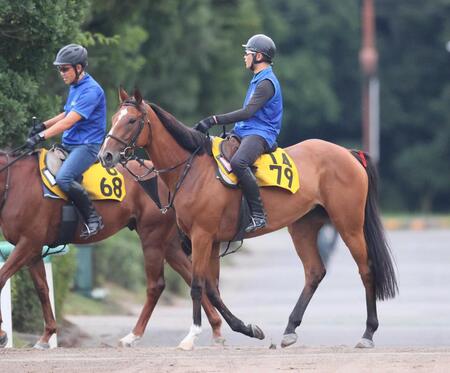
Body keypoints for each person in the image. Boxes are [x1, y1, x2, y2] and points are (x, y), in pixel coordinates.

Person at [194, 34, 283, 233]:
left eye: (247, 53)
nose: (244, 57)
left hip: (261, 134)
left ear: (258, 56)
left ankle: (258, 215)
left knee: (238, 163)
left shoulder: (266, 83)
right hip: (246, 131)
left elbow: (247, 112)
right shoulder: (257, 79)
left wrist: (213, 120)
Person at [26, 44, 106, 238]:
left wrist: (40, 137)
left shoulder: (91, 91)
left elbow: (69, 121)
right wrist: (42, 126)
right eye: (59, 69)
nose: (61, 73)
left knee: (63, 178)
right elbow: (66, 113)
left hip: (87, 147)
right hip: (69, 145)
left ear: (79, 68)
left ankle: (93, 219)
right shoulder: (76, 86)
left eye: (65, 69)